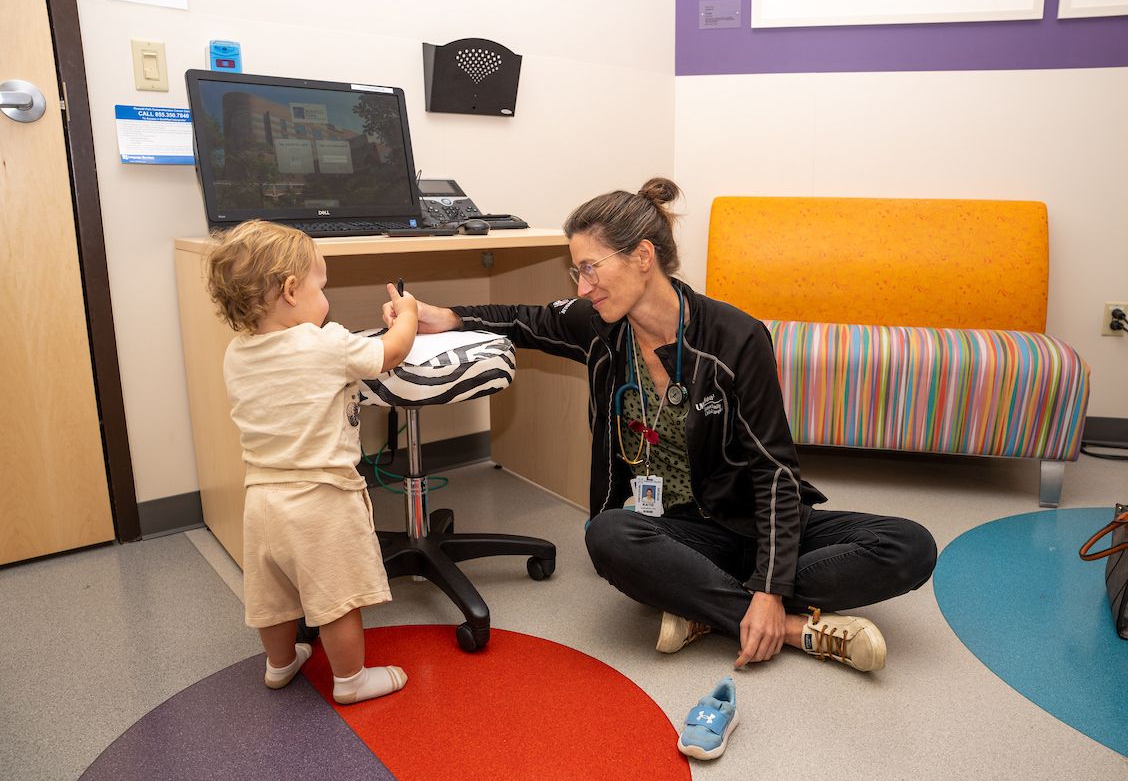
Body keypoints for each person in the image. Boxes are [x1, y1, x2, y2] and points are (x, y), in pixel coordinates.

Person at [414, 178, 938, 671]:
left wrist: (770, 586)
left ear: (643, 257)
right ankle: (794, 628)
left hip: (748, 522)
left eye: (591, 268)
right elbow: (523, 320)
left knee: (909, 545)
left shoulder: (737, 337)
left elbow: (774, 469)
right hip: (672, 531)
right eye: (577, 272)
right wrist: (447, 316)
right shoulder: (598, 328)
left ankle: (704, 605)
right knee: (608, 534)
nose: (584, 285)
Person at [206, 220, 416, 704]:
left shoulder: (236, 354)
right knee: (338, 599)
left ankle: (280, 664)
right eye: (323, 286)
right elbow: (392, 352)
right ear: (292, 290)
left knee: (274, 599)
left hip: (261, 499)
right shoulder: (325, 342)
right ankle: (351, 680)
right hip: (322, 498)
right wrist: (403, 315)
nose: (327, 298)